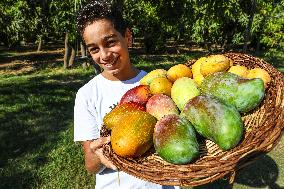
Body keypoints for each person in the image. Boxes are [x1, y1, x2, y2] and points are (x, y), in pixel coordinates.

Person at [74, 0, 179, 188]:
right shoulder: (87, 95)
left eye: (110, 42)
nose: (104, 55)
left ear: (128, 37)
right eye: (94, 49)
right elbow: (90, 165)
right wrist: (101, 153)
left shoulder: (157, 86)